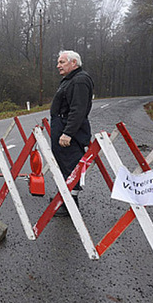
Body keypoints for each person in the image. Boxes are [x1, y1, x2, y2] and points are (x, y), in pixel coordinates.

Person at [50, 50, 94, 216]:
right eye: (58, 62)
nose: (58, 65)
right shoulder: (70, 80)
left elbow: (78, 110)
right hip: (61, 125)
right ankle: (64, 197)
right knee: (63, 164)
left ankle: (70, 205)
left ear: (73, 63)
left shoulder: (79, 81)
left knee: (71, 166)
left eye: (62, 62)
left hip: (69, 130)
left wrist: (67, 133)